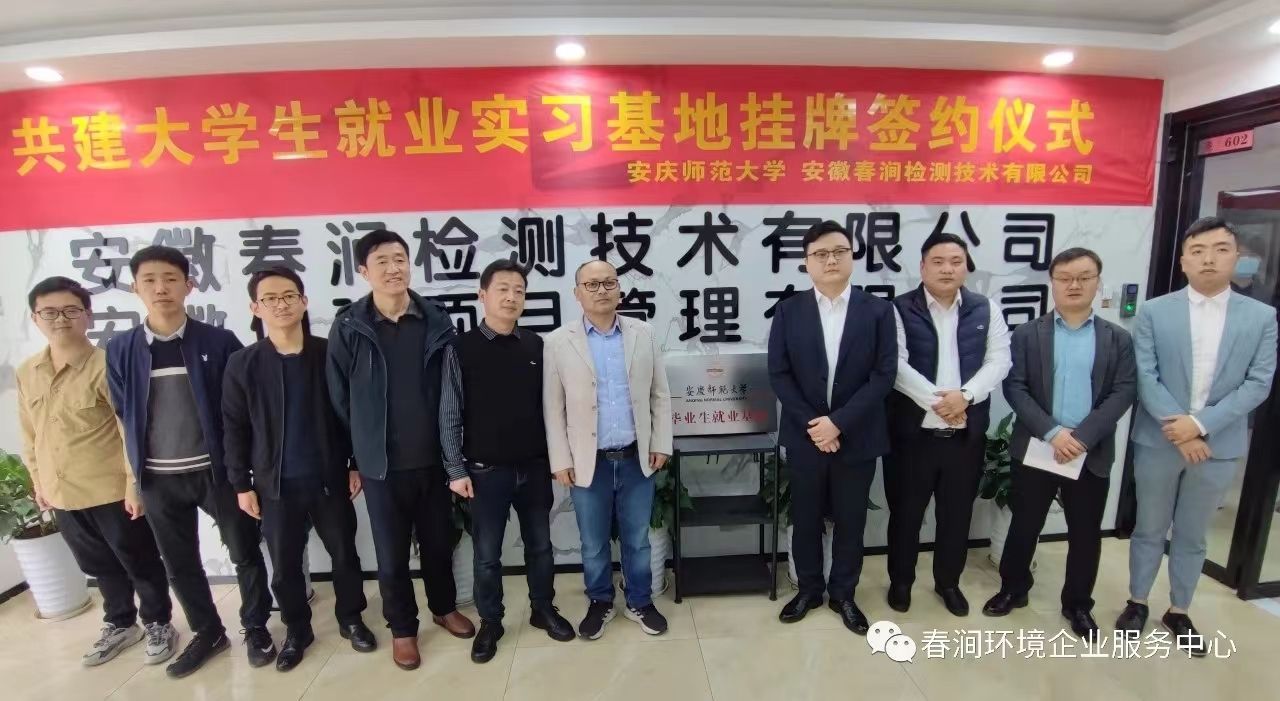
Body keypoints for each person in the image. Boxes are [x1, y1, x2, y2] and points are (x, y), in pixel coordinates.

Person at [106, 246, 274, 678]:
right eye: (149, 280)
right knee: (179, 563)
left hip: (217, 472)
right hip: (158, 479)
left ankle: (256, 626)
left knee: (245, 552)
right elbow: (124, 416)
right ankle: (208, 631)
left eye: (170, 278)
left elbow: (243, 410)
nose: (160, 288)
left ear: (189, 285)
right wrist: (133, 481)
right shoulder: (122, 348)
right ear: (135, 288)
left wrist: (245, 473)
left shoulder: (218, 342)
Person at [1119, 216, 1277, 656]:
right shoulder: (1154, 311)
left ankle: (1179, 609)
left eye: (1221, 249)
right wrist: (1181, 430)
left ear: (1237, 257)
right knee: (1149, 527)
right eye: (1198, 250)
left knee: (1192, 533)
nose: (1209, 258)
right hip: (1159, 440)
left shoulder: (1261, 317)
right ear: (1184, 260)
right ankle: (1137, 601)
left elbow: (1258, 383)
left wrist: (1201, 425)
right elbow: (1145, 374)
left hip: (1218, 445)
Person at [326, 229, 474, 671]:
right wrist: (354, 458)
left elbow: (453, 390)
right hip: (381, 466)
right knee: (391, 555)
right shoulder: (350, 326)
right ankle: (403, 629)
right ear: (363, 271)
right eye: (382, 262)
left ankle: (443, 608)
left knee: (438, 545)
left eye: (400, 259)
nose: (394, 269)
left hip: (433, 460)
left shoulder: (435, 319)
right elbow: (339, 398)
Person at [222, 267, 377, 672]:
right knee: (285, 565)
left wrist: (354, 463)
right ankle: (297, 629)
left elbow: (351, 415)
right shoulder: (243, 363)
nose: (281, 304)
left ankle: (351, 619)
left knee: (345, 555)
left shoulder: (328, 353)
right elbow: (234, 428)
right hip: (274, 485)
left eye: (289, 296)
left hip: (328, 477)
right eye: (270, 298)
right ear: (255, 308)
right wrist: (241, 484)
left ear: (304, 302)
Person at [17, 277, 175, 668]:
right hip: (63, 491)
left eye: (71, 310)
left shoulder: (107, 366)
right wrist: (38, 481)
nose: (60, 319)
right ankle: (120, 623)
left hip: (112, 489)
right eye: (49, 312)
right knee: (98, 564)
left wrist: (133, 484)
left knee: (139, 559)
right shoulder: (28, 371)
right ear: (35, 318)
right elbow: (30, 432)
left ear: (87, 315)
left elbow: (128, 430)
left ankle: (158, 622)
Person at [980, 248, 1137, 637]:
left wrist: (1080, 438)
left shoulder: (1117, 338)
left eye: (1084, 277)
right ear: (1053, 283)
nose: (1074, 285)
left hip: (1089, 452)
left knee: (1085, 533)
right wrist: (1053, 432)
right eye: (1065, 278)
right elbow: (1016, 388)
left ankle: (1078, 605)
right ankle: (1013, 588)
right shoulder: (1028, 334)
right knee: (1024, 524)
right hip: (1038, 446)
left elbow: (1123, 391)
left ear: (1098, 282)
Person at [439, 259, 575, 664]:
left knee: (541, 546)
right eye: (503, 289)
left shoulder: (536, 346)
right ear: (482, 295)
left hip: (533, 467)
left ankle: (542, 609)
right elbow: (449, 413)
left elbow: (554, 408)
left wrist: (559, 458)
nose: (512, 297)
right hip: (485, 472)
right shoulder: (460, 348)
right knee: (487, 555)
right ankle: (491, 622)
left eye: (519, 290)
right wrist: (455, 469)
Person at [768, 220, 897, 635]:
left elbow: (884, 374)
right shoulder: (788, 311)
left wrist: (838, 422)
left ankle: (844, 594)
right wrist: (816, 426)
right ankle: (808, 590)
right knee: (805, 517)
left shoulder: (878, 310)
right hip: (805, 437)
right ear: (806, 262)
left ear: (852, 257)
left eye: (839, 251)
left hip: (858, 436)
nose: (830, 260)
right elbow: (779, 374)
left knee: (850, 520)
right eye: (820, 254)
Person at [543, 260, 673, 640]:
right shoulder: (558, 341)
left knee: (637, 540)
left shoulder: (643, 333)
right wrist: (560, 460)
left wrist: (661, 443)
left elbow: (660, 394)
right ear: (577, 293)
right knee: (593, 543)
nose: (601, 290)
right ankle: (600, 601)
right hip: (589, 463)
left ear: (619, 289)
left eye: (608, 283)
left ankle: (639, 601)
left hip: (637, 458)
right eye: (592, 284)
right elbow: (553, 407)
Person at [884, 231, 1011, 617]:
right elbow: (894, 364)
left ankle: (948, 583)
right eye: (937, 261)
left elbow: (999, 361)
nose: (947, 269)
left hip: (964, 437)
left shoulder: (985, 309)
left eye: (956, 261)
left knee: (956, 517)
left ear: (966, 267)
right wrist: (940, 402)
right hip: (912, 437)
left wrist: (965, 397)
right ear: (922, 267)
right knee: (905, 515)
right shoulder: (898, 309)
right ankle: (901, 582)